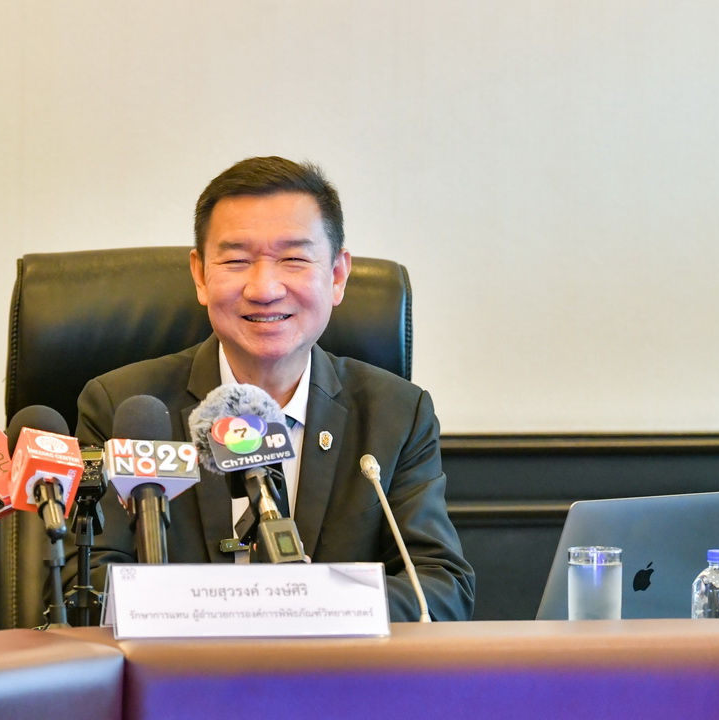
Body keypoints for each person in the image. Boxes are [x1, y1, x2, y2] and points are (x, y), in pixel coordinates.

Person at [67, 156, 475, 622]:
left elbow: (440, 587)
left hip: (333, 668)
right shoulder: (124, 407)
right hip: (176, 668)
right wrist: (234, 613)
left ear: (337, 275)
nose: (263, 288)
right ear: (200, 275)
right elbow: (86, 581)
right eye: (236, 260)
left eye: (294, 259)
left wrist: (305, 607)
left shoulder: (396, 413)